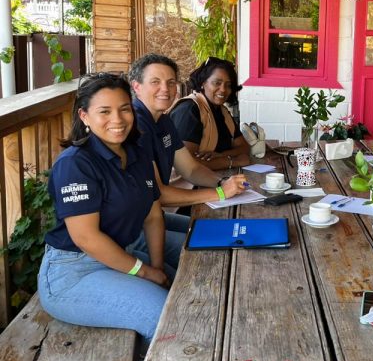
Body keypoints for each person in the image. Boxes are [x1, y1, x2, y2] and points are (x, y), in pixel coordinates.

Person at [37, 73, 174, 344]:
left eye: (124, 109)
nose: (117, 119)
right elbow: (86, 238)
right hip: (74, 272)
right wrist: (145, 272)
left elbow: (152, 215)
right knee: (165, 315)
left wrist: (157, 267)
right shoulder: (75, 164)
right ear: (85, 116)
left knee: (179, 284)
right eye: (104, 111)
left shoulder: (135, 152)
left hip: (120, 253)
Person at [129, 54, 249, 211]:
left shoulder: (163, 121)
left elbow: (191, 168)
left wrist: (222, 182)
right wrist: (220, 192)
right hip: (137, 224)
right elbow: (157, 193)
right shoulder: (135, 125)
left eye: (171, 82)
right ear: (136, 86)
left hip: (152, 214)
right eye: (155, 82)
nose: (165, 89)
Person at [168, 57, 250, 170]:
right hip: (187, 185)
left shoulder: (222, 111)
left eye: (228, 85)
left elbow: (244, 147)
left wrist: (221, 155)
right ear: (203, 83)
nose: (223, 89)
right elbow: (185, 162)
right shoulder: (189, 110)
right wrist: (232, 161)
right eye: (217, 83)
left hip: (215, 177)